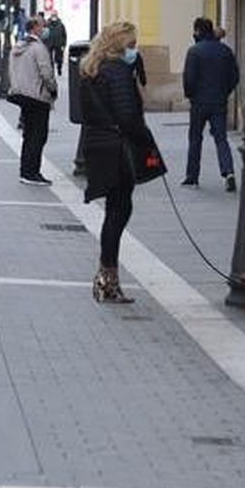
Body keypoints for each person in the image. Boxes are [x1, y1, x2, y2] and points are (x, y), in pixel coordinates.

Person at [80, 22, 155, 304]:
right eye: (132, 45)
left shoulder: (92, 71)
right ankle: (107, 279)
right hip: (118, 149)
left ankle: (107, 277)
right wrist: (145, 139)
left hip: (99, 146)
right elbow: (127, 116)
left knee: (115, 210)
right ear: (118, 46)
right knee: (119, 210)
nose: (135, 50)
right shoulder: (119, 72)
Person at [182, 17, 239, 191]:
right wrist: (224, 92)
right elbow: (234, 77)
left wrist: (190, 95)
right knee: (221, 138)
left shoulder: (194, 51)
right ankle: (228, 171)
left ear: (198, 31)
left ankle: (192, 176)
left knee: (195, 139)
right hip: (219, 102)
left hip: (199, 102)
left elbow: (189, 79)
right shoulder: (225, 51)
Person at [9, 15, 59, 186]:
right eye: (42, 26)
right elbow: (46, 73)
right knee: (38, 136)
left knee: (29, 135)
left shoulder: (19, 46)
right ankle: (32, 173)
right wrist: (52, 89)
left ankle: (25, 171)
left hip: (23, 95)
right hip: (38, 97)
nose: (45, 29)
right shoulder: (39, 48)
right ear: (35, 28)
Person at [46, 11, 68, 76]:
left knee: (59, 58)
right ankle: (51, 70)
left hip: (58, 43)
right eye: (52, 15)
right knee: (49, 58)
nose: (53, 17)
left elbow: (64, 35)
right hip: (49, 43)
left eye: (54, 15)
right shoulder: (47, 24)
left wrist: (64, 44)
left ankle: (59, 68)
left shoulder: (61, 24)